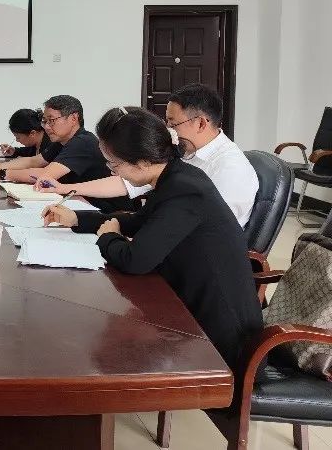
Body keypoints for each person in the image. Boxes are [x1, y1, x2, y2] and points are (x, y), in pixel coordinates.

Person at [42, 106, 263, 370]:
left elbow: (135, 260)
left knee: (101, 356)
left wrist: (108, 237)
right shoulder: (175, 176)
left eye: (114, 164)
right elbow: (141, 221)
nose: (113, 172)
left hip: (221, 343)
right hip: (189, 311)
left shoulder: (185, 190)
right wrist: (77, 219)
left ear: (144, 162)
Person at [37, 84, 259, 227]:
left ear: (201, 123)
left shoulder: (230, 168)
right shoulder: (184, 153)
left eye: (173, 123)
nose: (167, 130)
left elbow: (209, 228)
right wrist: (65, 188)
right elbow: (127, 184)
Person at [0, 95, 131, 212]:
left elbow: (45, 174)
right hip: (77, 200)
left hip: (105, 209)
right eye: (44, 121)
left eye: (51, 120)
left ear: (73, 118)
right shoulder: (62, 140)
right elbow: (34, 161)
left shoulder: (83, 142)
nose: (46, 127)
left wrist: (1, 173)